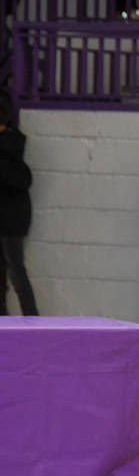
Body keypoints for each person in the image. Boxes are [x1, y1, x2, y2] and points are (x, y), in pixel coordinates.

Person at [0, 90, 38, 317]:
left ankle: (32, 322)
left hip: (11, 220)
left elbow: (22, 180)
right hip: (7, 217)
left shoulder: (10, 145)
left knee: (15, 270)